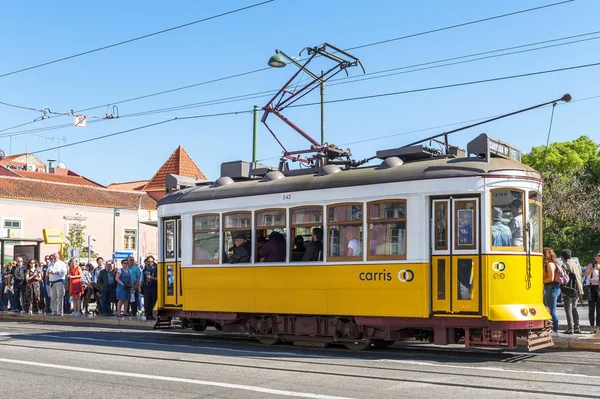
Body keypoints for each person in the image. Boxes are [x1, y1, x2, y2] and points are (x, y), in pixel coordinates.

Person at [560, 249, 583, 334]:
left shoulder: (565, 265)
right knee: (574, 309)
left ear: (562, 257)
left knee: (568, 309)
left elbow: (563, 278)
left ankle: (570, 328)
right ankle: (577, 328)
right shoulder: (575, 264)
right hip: (577, 289)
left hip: (568, 290)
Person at [542, 247, 560, 335]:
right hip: (552, 287)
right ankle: (551, 328)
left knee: (551, 310)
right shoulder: (554, 263)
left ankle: (555, 330)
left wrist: (541, 281)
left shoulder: (550, 264)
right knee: (549, 309)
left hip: (552, 287)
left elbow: (551, 278)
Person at [583, 253, 600, 334]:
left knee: (599, 309)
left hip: (599, 288)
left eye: (599, 256)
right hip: (592, 288)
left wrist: (596, 281)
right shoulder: (591, 265)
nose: (597, 257)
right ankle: (592, 326)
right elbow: (585, 274)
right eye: (596, 256)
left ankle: (598, 327)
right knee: (591, 309)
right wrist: (593, 269)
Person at [47, 252, 67, 316]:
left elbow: (64, 272)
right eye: (54, 256)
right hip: (52, 282)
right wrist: (49, 272)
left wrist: (56, 272)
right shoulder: (50, 264)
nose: (55, 257)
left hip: (59, 281)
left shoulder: (62, 263)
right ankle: (54, 310)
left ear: (58, 256)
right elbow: (47, 273)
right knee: (53, 297)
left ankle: (60, 311)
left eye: (56, 256)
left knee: (59, 297)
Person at [142, 256, 158, 321]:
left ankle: (151, 315)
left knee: (153, 302)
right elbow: (142, 278)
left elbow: (158, 278)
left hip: (154, 287)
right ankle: (147, 316)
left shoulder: (156, 268)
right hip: (146, 287)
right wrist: (140, 286)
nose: (150, 263)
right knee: (146, 303)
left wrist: (151, 277)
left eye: (151, 261)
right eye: (149, 261)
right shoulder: (145, 269)